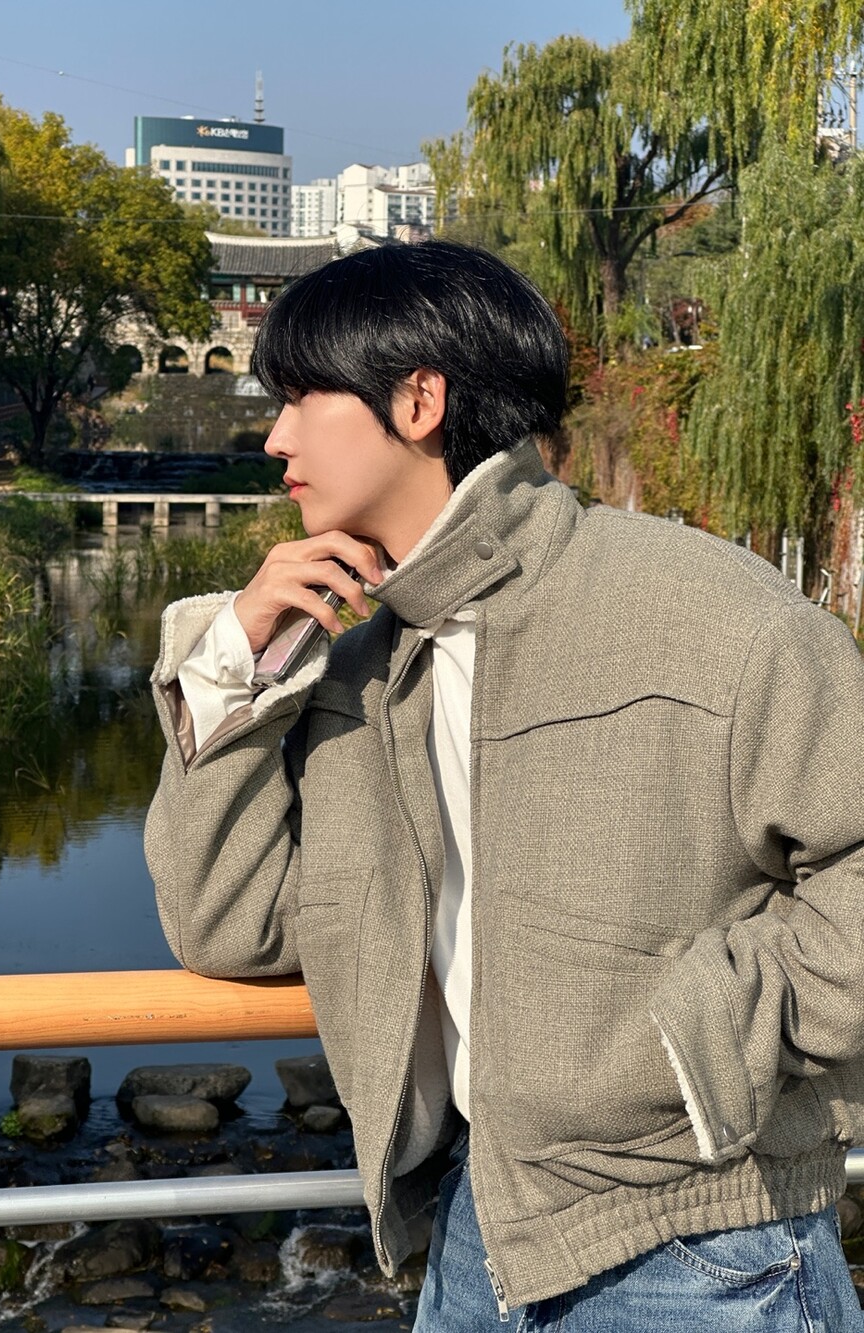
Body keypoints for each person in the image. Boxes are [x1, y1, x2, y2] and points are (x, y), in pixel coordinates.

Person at [145, 241, 864, 1331]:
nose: (275, 436)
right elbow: (228, 925)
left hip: (708, 1248)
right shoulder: (357, 669)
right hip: (480, 1235)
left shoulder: (712, 616)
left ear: (419, 401)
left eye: (301, 398)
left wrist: (709, 1034)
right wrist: (232, 667)